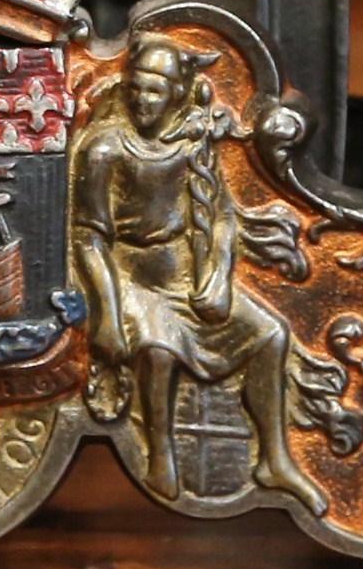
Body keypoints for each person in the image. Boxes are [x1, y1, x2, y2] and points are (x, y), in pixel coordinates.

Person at [69, 34, 334, 515]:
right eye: (136, 89)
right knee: (157, 348)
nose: (143, 100)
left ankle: (274, 457)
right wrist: (107, 312)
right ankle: (161, 453)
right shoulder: (105, 148)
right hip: (132, 277)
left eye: (155, 91)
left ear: (174, 93)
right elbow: (89, 237)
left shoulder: (191, 141)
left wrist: (216, 276)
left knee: (270, 335)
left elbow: (219, 215)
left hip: (185, 277)